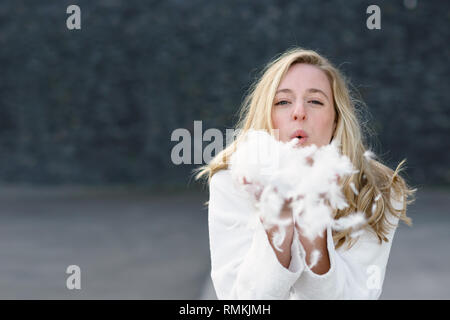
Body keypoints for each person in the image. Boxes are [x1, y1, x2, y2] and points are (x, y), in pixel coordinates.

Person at [194, 47, 415, 300]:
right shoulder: (231, 180)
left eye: (315, 101)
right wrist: (279, 232)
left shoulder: (377, 190)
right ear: (266, 114)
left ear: (336, 119)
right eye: (283, 102)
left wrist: (314, 234)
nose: (299, 112)